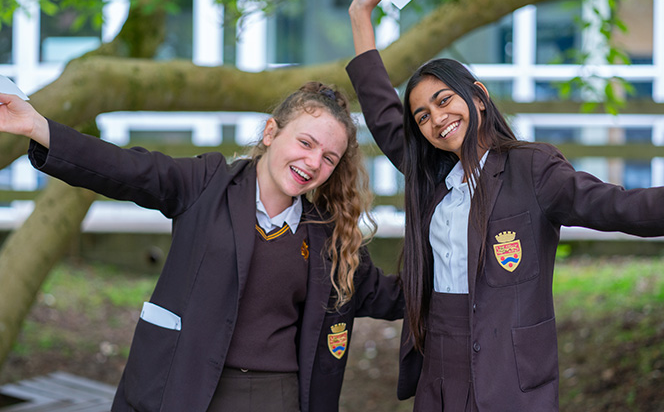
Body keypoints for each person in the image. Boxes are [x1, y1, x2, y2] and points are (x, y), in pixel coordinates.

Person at [347, 0, 664, 411]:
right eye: (422, 116)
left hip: (511, 376)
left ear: (477, 97)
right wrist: (362, 15)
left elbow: (623, 208)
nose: (436, 119)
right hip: (439, 370)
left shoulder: (531, 168)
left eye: (443, 101)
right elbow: (381, 109)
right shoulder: (431, 176)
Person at [0, 82, 403, 412]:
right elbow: (124, 168)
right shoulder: (206, 183)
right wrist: (38, 127)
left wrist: (456, 239)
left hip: (275, 398)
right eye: (305, 142)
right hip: (186, 387)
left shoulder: (331, 238)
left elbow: (392, 296)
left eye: (329, 157)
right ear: (271, 132)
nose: (314, 162)